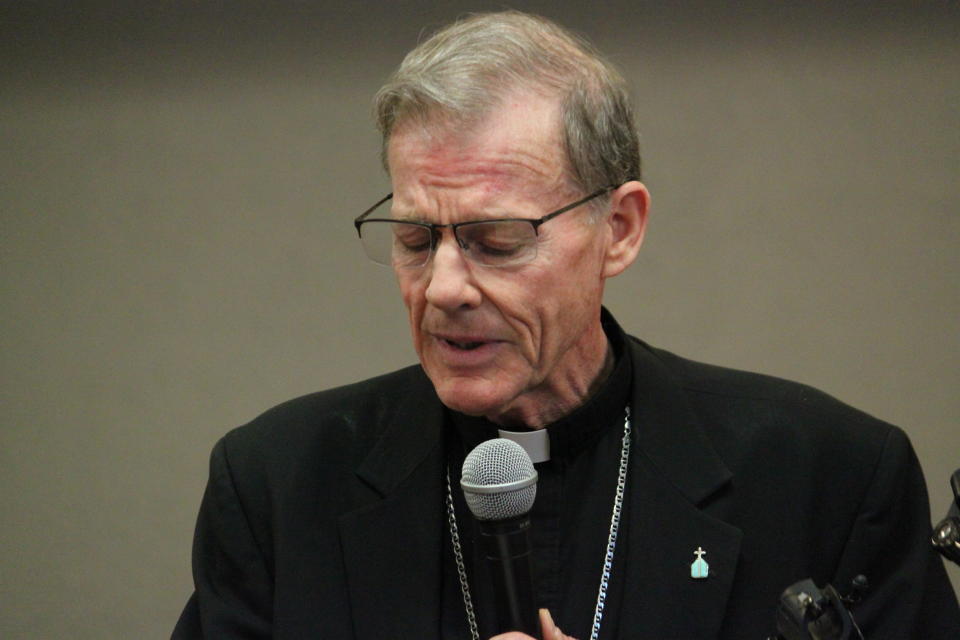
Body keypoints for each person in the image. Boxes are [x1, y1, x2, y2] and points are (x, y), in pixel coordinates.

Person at [173, 10, 959, 639]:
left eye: (497, 240)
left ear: (618, 229)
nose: (444, 287)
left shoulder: (830, 480)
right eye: (415, 238)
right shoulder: (276, 485)